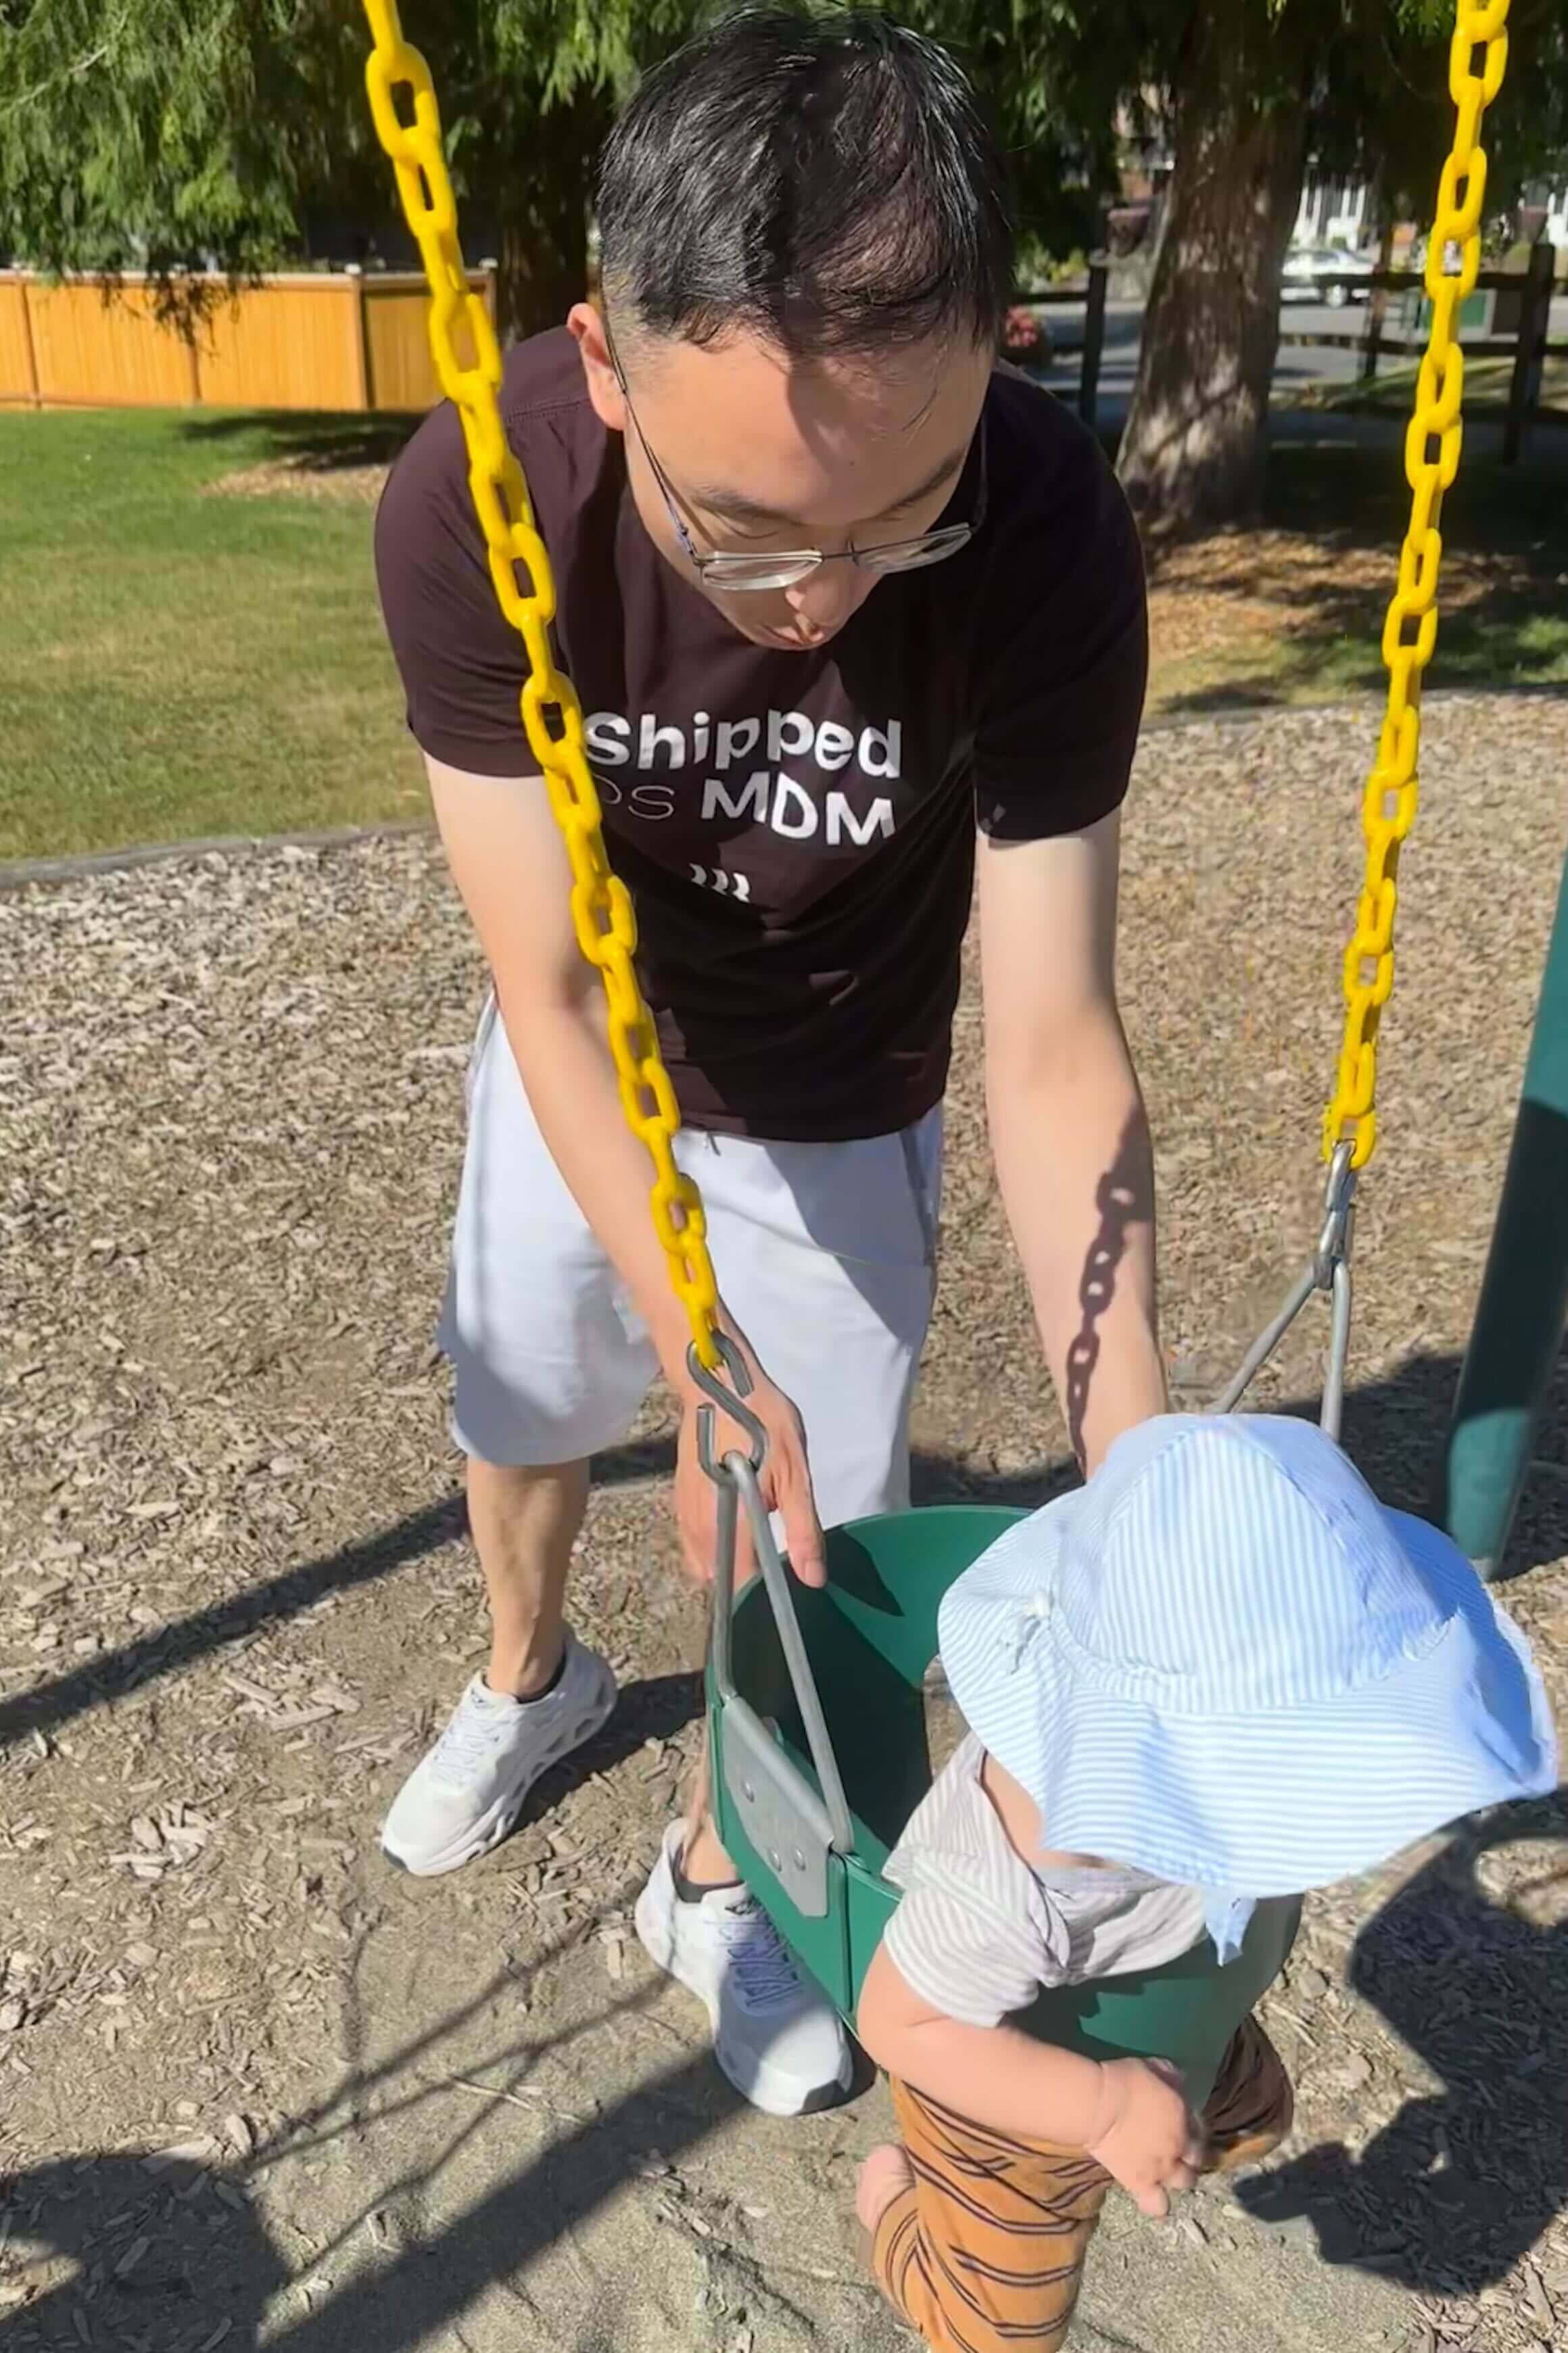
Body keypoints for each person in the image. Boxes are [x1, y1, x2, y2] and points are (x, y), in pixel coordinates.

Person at [371, 4, 1162, 2117]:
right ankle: (531, 1676)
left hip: (839, 1073)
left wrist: (1144, 1474)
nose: (814, 602)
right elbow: (549, 990)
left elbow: (1053, 1037)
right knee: (524, 1405)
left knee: (790, 1541)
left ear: (994, 351)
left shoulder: (1050, 531)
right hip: (601, 1049)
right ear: (606, 362)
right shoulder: (481, 490)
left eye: (894, 522)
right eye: (735, 531)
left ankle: (719, 1869)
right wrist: (688, 1344)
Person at [851, 1412, 1559, 2352]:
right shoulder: (1018, 1874)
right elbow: (901, 2023)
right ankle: (898, 2213)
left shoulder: (1171, 1784)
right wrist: (1100, 2107)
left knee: (1254, 2120)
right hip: (1003, 2094)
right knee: (996, 2332)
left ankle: (1156, 2116)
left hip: (1174, 2006)